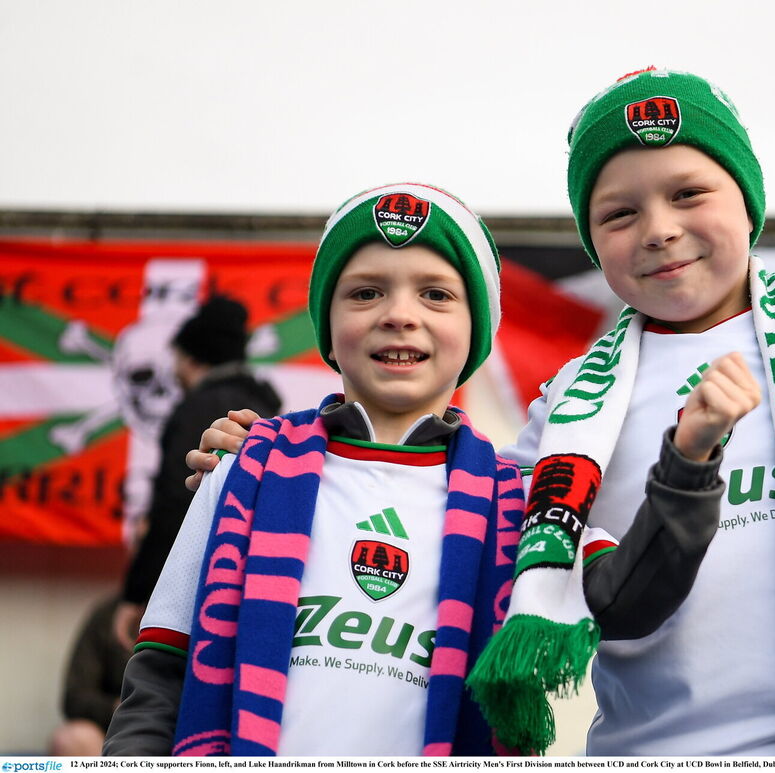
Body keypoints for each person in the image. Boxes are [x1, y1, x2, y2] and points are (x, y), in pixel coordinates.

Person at [183, 42, 775, 756]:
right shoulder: (565, 414)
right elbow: (425, 522)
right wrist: (277, 463)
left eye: (688, 192)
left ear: (748, 202)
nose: (659, 230)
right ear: (594, 242)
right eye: (619, 213)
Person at [103, 183, 527, 756]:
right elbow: (159, 676)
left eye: (435, 295)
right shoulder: (241, 471)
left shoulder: (520, 507)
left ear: (477, 328)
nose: (400, 315)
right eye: (366, 292)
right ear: (326, 325)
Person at [112, 295, 282, 650]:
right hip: (251, 587)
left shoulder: (197, 408)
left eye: (175, 359)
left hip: (196, 595)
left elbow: (176, 504)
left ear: (192, 358)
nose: (172, 372)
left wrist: (138, 593)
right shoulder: (270, 415)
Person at [50, 595, 132, 755]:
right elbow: (75, 698)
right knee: (73, 738)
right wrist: (121, 707)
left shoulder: (189, 614)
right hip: (115, 726)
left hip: (172, 726)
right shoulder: (109, 614)